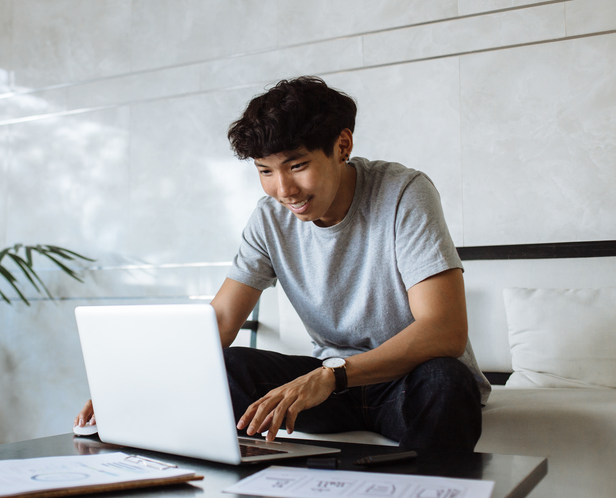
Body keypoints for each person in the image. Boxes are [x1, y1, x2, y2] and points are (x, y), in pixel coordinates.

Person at [75, 76, 489, 451]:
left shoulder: (403, 193)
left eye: (297, 165)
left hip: (404, 382)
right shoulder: (269, 218)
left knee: (445, 380)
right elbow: (220, 320)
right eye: (265, 171)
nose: (284, 189)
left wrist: (331, 375)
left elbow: (444, 330)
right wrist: (132, 386)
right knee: (226, 365)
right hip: (331, 391)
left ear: (342, 146)